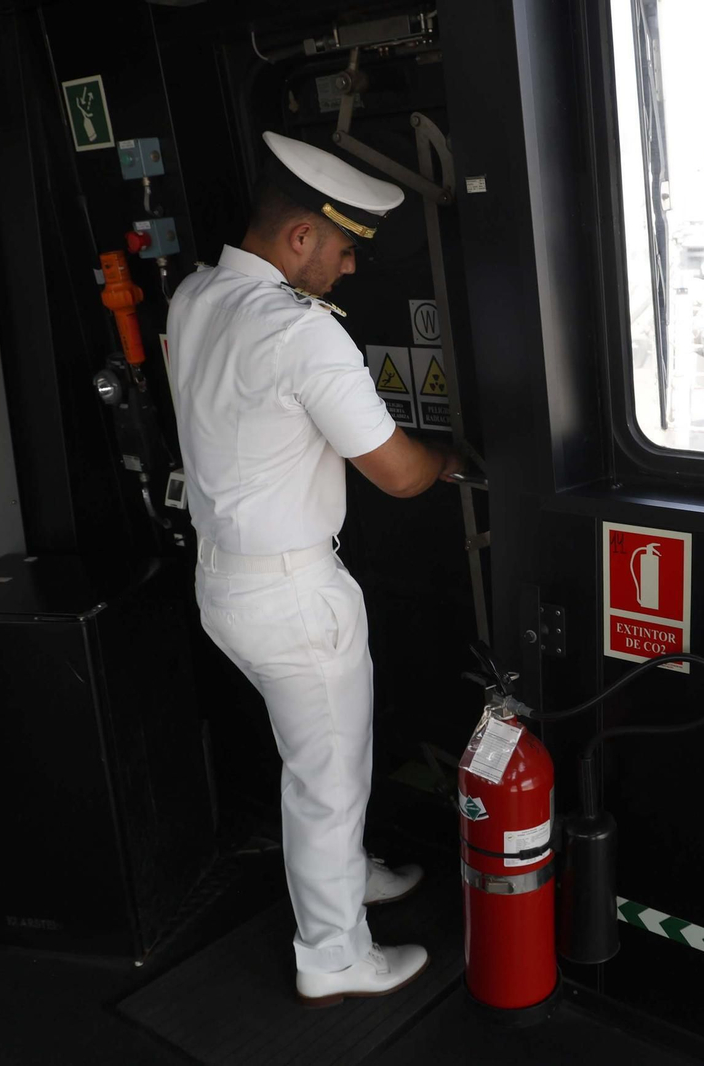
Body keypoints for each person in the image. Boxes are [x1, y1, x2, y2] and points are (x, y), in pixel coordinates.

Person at [166, 131, 461, 1007]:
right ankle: (332, 957)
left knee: (323, 761)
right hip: (293, 595)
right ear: (300, 237)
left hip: (223, 583)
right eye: (342, 249)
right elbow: (401, 474)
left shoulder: (194, 296)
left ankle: (346, 877)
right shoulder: (302, 336)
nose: (349, 269)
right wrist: (454, 459)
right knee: (327, 778)